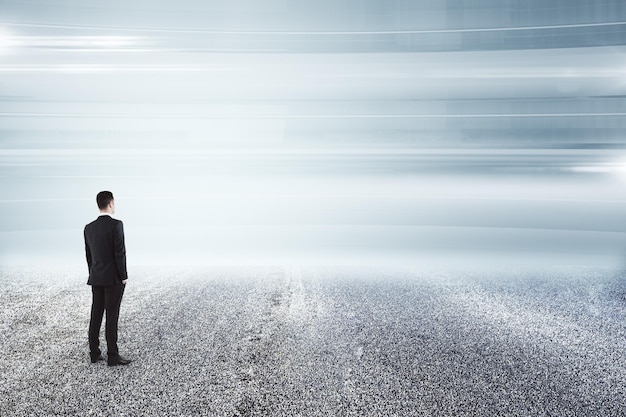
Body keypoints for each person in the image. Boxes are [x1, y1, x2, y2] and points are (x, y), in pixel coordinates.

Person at [84, 191, 131, 366]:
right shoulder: (116, 225)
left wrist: (93, 273)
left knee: (96, 314)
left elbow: (89, 256)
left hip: (96, 277)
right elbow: (120, 252)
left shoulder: (88, 227)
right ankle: (112, 355)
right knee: (112, 316)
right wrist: (123, 275)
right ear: (110, 203)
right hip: (113, 278)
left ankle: (94, 353)